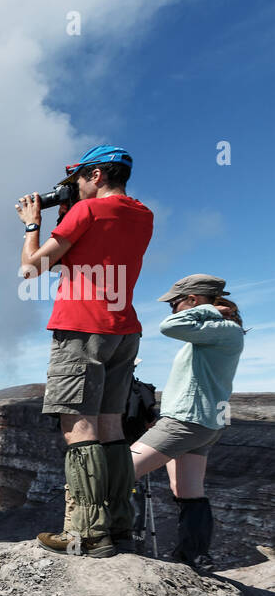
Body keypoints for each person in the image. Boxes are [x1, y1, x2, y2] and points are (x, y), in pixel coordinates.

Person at [16, 145, 155, 557]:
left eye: (78, 178)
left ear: (96, 175)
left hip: (81, 325)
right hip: (124, 328)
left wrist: (32, 224)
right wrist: (69, 215)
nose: (74, 186)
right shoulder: (143, 215)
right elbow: (90, 254)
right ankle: (118, 526)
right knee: (112, 426)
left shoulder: (86, 212)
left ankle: (87, 533)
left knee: (78, 425)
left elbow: (33, 267)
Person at [129, 274, 246, 570]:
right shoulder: (219, 333)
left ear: (193, 300)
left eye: (175, 302)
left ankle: (115, 539)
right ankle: (194, 557)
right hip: (204, 423)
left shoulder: (221, 328)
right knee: (187, 490)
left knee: (119, 472)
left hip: (187, 422)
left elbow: (169, 327)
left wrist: (207, 310)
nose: (172, 309)